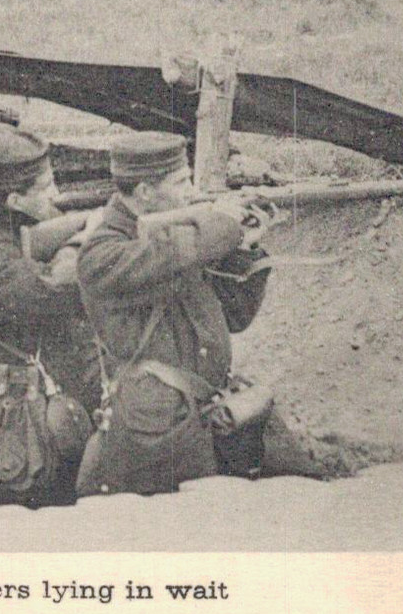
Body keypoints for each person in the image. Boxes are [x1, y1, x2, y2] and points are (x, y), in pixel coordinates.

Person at [75, 131, 271, 483]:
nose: (191, 192)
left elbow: (235, 317)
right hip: (155, 426)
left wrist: (246, 248)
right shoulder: (102, 253)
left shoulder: (176, 237)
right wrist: (224, 226)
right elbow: (169, 256)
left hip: (208, 412)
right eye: (181, 182)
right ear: (146, 193)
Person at [0, 128, 102, 506]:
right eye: (46, 188)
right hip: (28, 414)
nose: (55, 196)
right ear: (16, 199)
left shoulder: (11, 231)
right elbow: (54, 294)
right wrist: (81, 241)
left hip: (56, 395)